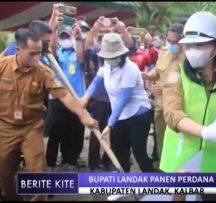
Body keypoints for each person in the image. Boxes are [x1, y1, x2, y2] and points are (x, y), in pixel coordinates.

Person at [0, 28, 98, 201]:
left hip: (31, 127)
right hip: (5, 127)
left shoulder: (43, 71)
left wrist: (83, 115)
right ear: (18, 49)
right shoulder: (2, 66)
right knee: (4, 173)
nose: (37, 58)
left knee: (38, 174)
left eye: (39, 53)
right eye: (32, 54)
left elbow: (65, 95)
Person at [159, 11, 216, 201]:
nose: (192, 50)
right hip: (182, 159)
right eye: (189, 45)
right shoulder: (176, 72)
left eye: (200, 44)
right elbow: (172, 112)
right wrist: (206, 132)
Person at [80, 33, 154, 173]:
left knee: (139, 152)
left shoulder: (130, 68)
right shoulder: (105, 67)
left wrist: (109, 124)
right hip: (119, 116)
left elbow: (123, 98)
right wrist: (83, 101)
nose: (112, 59)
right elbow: (96, 84)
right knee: (120, 152)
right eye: (109, 57)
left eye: (115, 56)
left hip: (138, 114)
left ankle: (154, 183)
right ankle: (123, 183)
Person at [82, 16, 134, 172]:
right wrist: (93, 29)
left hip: (118, 100)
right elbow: (86, 50)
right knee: (96, 132)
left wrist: (121, 27)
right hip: (100, 99)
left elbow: (131, 45)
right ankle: (94, 164)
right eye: (105, 30)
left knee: (114, 133)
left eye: (111, 29)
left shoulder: (121, 49)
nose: (108, 31)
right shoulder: (98, 48)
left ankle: (108, 161)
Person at [142, 23, 185, 170]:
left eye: (175, 42)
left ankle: (178, 170)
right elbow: (157, 71)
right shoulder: (165, 53)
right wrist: (148, 76)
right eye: (169, 41)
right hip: (160, 106)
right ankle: (163, 167)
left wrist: (164, 86)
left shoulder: (187, 59)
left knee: (177, 140)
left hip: (177, 109)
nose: (172, 44)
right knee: (160, 139)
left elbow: (185, 83)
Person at [46, 24, 86, 172]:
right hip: (58, 99)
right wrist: (54, 29)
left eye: (67, 36)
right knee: (56, 131)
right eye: (61, 37)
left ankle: (71, 161)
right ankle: (50, 163)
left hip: (76, 98)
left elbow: (82, 59)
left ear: (72, 37)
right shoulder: (56, 54)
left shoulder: (78, 53)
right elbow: (51, 50)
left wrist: (79, 37)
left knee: (75, 131)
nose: (64, 39)